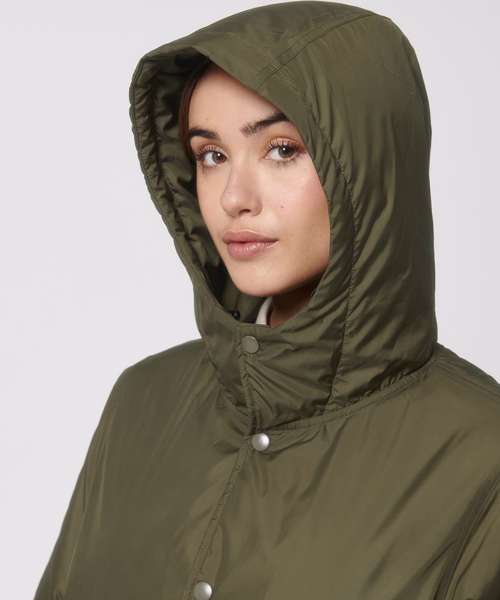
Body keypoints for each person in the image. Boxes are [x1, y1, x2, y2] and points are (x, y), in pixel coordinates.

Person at [34, 2, 500, 600]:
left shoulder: (482, 454)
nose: (234, 197)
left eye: (282, 150)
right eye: (212, 155)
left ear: (372, 164)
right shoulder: (141, 402)